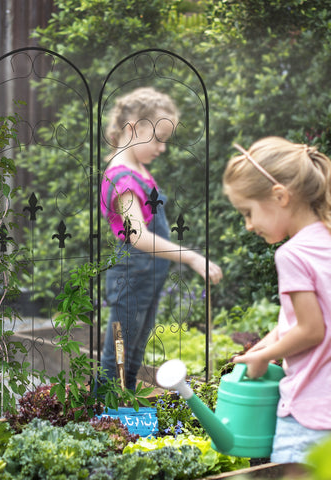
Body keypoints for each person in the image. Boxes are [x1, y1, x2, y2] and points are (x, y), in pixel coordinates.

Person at [100, 87, 222, 391]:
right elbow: (137, 235)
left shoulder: (136, 168)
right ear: (133, 128)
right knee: (117, 354)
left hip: (147, 276)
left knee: (134, 351)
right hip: (132, 276)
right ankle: (101, 412)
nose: (163, 148)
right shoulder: (122, 177)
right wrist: (192, 256)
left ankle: (121, 412)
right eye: (157, 138)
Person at [223, 136, 331, 474]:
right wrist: (263, 345)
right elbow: (302, 319)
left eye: (248, 213)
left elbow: (312, 329)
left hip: (308, 416)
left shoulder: (292, 254)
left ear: (280, 197)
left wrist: (264, 355)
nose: (249, 225)